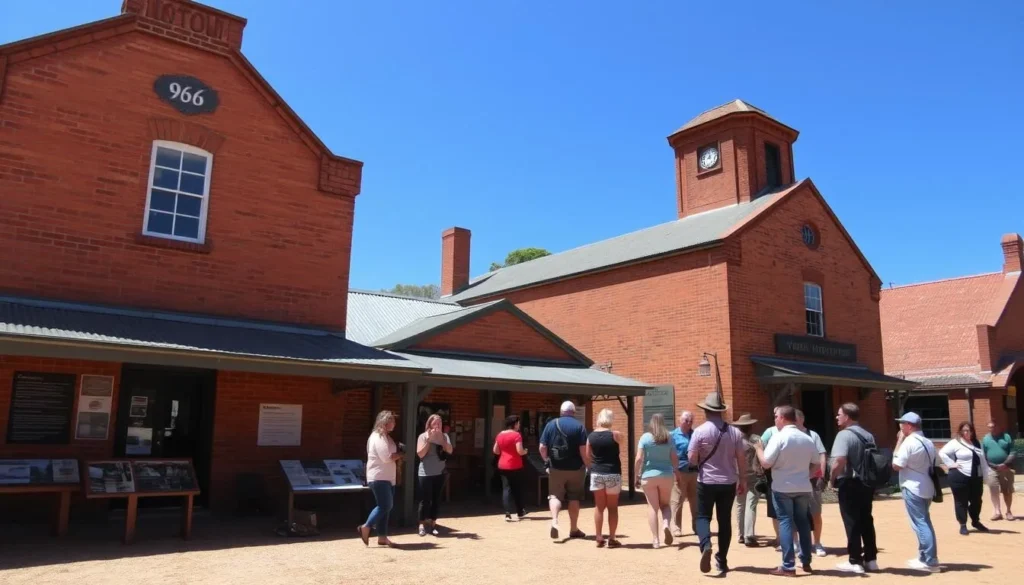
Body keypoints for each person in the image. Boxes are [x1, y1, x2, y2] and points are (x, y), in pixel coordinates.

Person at [754, 405, 819, 576]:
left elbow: (766, 463)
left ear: (782, 418)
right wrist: (806, 475)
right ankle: (806, 561)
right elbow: (816, 463)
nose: (775, 419)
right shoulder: (806, 438)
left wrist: (759, 449)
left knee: (785, 522)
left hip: (782, 486)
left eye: (776, 416)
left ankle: (788, 565)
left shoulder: (779, 437)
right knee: (803, 522)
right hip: (803, 486)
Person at [688, 392, 747, 576]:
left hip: (706, 480)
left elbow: (691, 458)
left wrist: (699, 460)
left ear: (706, 411)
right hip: (728, 481)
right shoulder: (735, 432)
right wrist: (743, 479)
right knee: (725, 520)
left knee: (703, 517)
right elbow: (741, 458)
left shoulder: (699, 431)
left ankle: (706, 545)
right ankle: (722, 560)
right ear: (721, 411)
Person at [829, 402, 880, 574]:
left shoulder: (844, 435)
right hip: (867, 482)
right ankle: (871, 559)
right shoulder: (868, 435)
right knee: (866, 519)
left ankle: (855, 560)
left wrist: (831, 478)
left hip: (850, 482)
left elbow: (839, 460)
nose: (837, 417)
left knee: (851, 521)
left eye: (839, 414)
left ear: (847, 416)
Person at [893, 412, 941, 573]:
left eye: (902, 423)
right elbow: (937, 461)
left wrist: (899, 441)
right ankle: (923, 557)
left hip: (913, 486)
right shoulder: (928, 442)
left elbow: (896, 465)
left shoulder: (909, 442)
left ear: (909, 425)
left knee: (920, 523)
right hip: (927, 486)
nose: (900, 426)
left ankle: (930, 560)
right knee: (924, 521)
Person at [539, 400, 589, 540]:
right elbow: (583, 450)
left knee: (554, 496)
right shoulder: (579, 426)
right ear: (573, 412)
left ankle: (555, 521)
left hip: (556, 467)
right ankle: (573, 529)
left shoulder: (550, 424)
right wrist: (587, 465)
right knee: (574, 498)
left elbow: (542, 447)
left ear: (561, 412)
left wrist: (547, 460)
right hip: (576, 468)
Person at [358, 410, 402, 547]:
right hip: (378, 477)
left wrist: (398, 453)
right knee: (385, 505)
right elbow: (386, 457)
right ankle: (366, 526)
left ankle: (382, 537)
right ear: (385, 422)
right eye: (392, 420)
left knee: (386, 508)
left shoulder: (387, 437)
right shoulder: (377, 437)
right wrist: (401, 454)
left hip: (388, 478)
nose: (394, 423)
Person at [635, 412, 679, 548]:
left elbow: (639, 458)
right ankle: (666, 524)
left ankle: (656, 540)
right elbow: (674, 457)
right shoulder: (669, 437)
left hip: (649, 475)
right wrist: (676, 472)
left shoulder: (645, 437)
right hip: (666, 475)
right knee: (665, 505)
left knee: (652, 507)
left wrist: (636, 475)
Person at [940, 422, 990, 535]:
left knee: (977, 500)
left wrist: (986, 475)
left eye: (969, 430)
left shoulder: (977, 443)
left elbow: (983, 461)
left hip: (976, 477)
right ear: (961, 431)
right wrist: (951, 464)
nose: (967, 433)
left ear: (972, 431)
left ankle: (975, 521)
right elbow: (942, 453)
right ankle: (963, 524)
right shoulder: (955, 443)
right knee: (961, 501)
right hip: (959, 476)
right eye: (964, 430)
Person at [586, 408, 623, 547]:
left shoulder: (590, 436)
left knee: (599, 506)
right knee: (612, 507)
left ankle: (598, 536)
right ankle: (612, 538)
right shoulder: (615, 434)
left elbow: (588, 455)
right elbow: (622, 445)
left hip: (597, 472)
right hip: (613, 472)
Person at [796, 409, 828, 557]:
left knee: (816, 512)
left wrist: (821, 475)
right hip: (795, 480)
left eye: (795, 418)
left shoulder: (813, 435)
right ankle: (796, 542)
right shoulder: (787, 435)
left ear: (802, 419)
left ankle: (817, 543)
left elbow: (822, 454)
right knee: (795, 513)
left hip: (813, 479)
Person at [416, 413, 453, 536]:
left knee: (436, 499)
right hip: (425, 473)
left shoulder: (445, 436)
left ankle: (432, 524)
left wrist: (442, 441)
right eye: (435, 423)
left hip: (439, 472)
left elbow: (450, 450)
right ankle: (421, 525)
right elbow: (420, 454)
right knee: (425, 500)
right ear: (430, 424)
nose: (438, 425)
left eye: (440, 423)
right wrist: (429, 440)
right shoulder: (423, 436)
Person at [732, 413, 763, 547]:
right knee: (751, 504)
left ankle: (740, 534)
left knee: (740, 504)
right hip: (753, 475)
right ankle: (748, 534)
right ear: (750, 426)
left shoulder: (734, 440)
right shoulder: (757, 439)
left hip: (738, 475)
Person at [493, 415, 529, 522]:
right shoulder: (516, 435)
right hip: (515, 465)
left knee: (506, 488)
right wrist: (525, 451)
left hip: (502, 465)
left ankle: (507, 512)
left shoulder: (500, 435)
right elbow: (520, 451)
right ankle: (520, 511)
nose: (519, 425)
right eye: (518, 423)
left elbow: (495, 451)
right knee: (518, 488)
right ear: (515, 424)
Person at [670, 410, 698, 537]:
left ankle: (697, 526)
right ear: (679, 421)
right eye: (686, 420)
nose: (689, 423)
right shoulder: (673, 435)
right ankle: (676, 527)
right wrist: (674, 470)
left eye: (691, 421)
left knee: (695, 500)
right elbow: (670, 454)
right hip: (679, 471)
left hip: (694, 471)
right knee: (677, 500)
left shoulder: (695, 434)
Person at [982, 420, 1016, 521]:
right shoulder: (985, 439)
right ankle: (997, 512)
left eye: (993, 427)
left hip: (1006, 468)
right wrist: (993, 465)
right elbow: (983, 455)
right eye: (989, 427)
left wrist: (1005, 464)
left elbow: (1013, 452)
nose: (991, 429)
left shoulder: (1007, 437)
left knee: (1007, 491)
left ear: (998, 426)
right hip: (992, 469)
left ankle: (1008, 511)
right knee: (993, 490)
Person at [761, 411, 782, 548]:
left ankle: (785, 539)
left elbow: (760, 447)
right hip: (772, 475)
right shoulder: (770, 431)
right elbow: (761, 444)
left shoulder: (777, 434)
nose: (774, 418)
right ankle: (780, 537)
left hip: (777, 474)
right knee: (775, 508)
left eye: (776, 416)